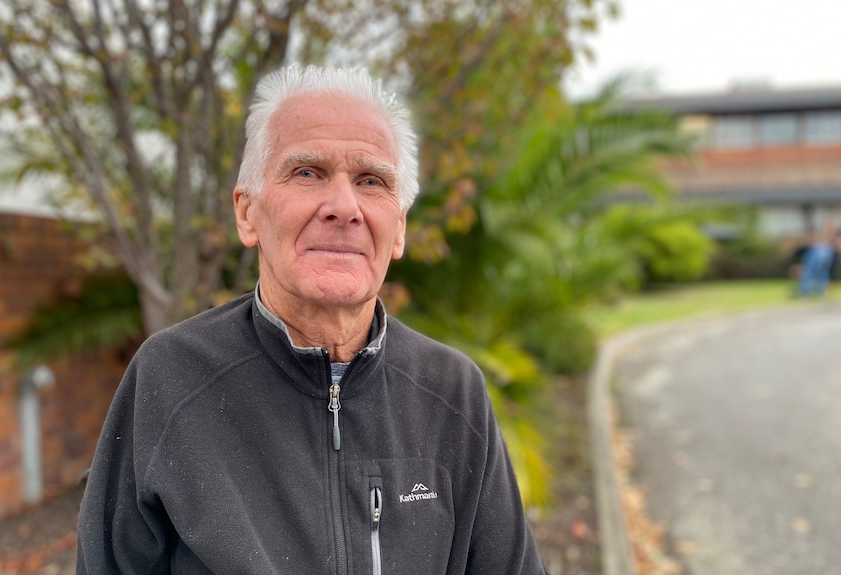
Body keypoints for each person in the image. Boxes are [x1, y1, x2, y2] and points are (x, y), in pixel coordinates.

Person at [76, 64, 547, 574]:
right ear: (247, 212)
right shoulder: (170, 379)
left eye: (371, 181)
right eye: (307, 172)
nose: (344, 207)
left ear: (400, 229)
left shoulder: (452, 391)